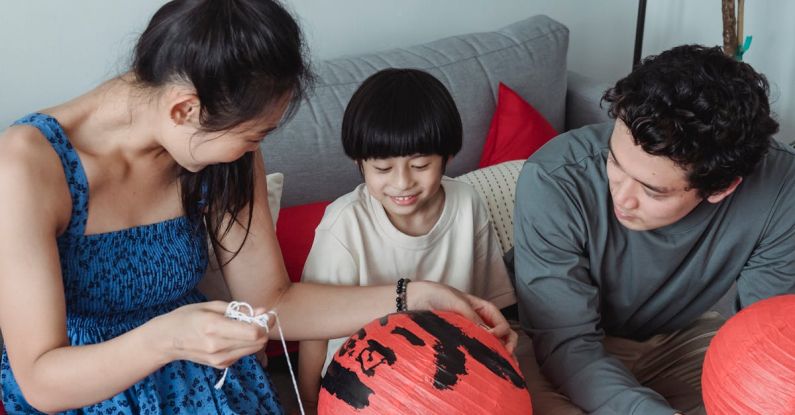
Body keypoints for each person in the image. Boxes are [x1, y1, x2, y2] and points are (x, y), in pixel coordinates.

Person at [0, 1, 516, 413]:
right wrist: (166, 340)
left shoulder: (219, 154)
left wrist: (417, 295)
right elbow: (41, 380)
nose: (254, 150)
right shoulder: (28, 165)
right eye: (254, 135)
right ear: (186, 109)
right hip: (85, 392)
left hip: (205, 380)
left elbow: (274, 303)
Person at [511, 44, 793, 415]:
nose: (621, 197)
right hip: (555, 340)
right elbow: (566, 343)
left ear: (722, 188)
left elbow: (764, 345)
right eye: (615, 161)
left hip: (681, 336)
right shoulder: (554, 179)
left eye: (651, 190)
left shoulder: (781, 190)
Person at [296, 68, 518, 412]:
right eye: (383, 169)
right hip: (365, 384)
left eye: (420, 165)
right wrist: (308, 402)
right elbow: (313, 327)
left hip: (452, 376)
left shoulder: (467, 203)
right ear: (360, 162)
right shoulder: (345, 223)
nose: (402, 183)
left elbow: (489, 303)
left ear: (448, 156)